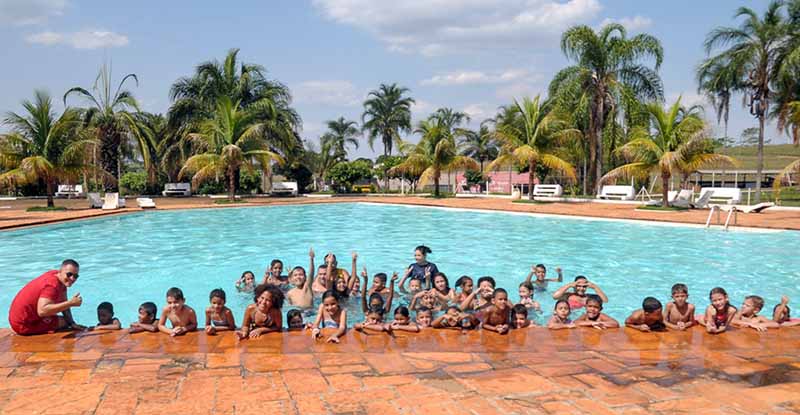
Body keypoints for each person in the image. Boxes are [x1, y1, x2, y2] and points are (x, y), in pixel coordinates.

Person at [8, 259, 85, 335]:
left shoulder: (56, 276)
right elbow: (42, 311)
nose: (72, 278)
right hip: (23, 325)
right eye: (69, 274)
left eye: (75, 276)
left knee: (66, 320)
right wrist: (70, 303)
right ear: (60, 271)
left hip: (20, 319)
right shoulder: (52, 286)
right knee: (64, 322)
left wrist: (72, 323)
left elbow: (63, 299)